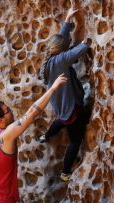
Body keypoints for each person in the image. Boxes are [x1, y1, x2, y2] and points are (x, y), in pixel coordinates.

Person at [0, 74, 67, 203]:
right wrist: (53, 88)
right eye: (8, 111)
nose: (12, 112)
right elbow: (31, 114)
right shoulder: (5, 135)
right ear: (1, 120)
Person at [39, 7, 90, 182]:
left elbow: (61, 39)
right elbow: (80, 49)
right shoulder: (62, 59)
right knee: (75, 140)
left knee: (61, 118)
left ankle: (45, 135)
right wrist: (87, 41)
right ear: (61, 50)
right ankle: (65, 172)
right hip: (70, 106)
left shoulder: (48, 60)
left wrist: (68, 18)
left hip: (59, 103)